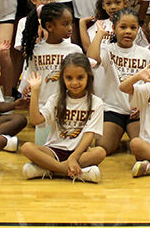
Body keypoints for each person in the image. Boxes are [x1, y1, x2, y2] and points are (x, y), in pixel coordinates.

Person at [21, 53, 107, 182]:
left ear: (88, 77)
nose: (74, 82)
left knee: (100, 152)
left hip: (79, 152)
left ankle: (48, 169)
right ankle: (72, 172)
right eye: (69, 78)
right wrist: (35, 92)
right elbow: (35, 120)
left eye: (80, 77)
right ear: (63, 78)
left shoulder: (96, 102)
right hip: (53, 151)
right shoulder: (55, 99)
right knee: (26, 147)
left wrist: (73, 158)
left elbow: (89, 135)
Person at [89, 8, 150, 156]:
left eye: (133, 28)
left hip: (135, 111)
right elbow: (91, 58)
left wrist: (143, 106)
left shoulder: (145, 53)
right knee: (103, 147)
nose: (128, 31)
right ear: (114, 28)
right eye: (123, 27)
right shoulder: (107, 49)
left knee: (142, 149)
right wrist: (99, 34)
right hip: (112, 109)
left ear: (138, 30)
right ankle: (116, 139)